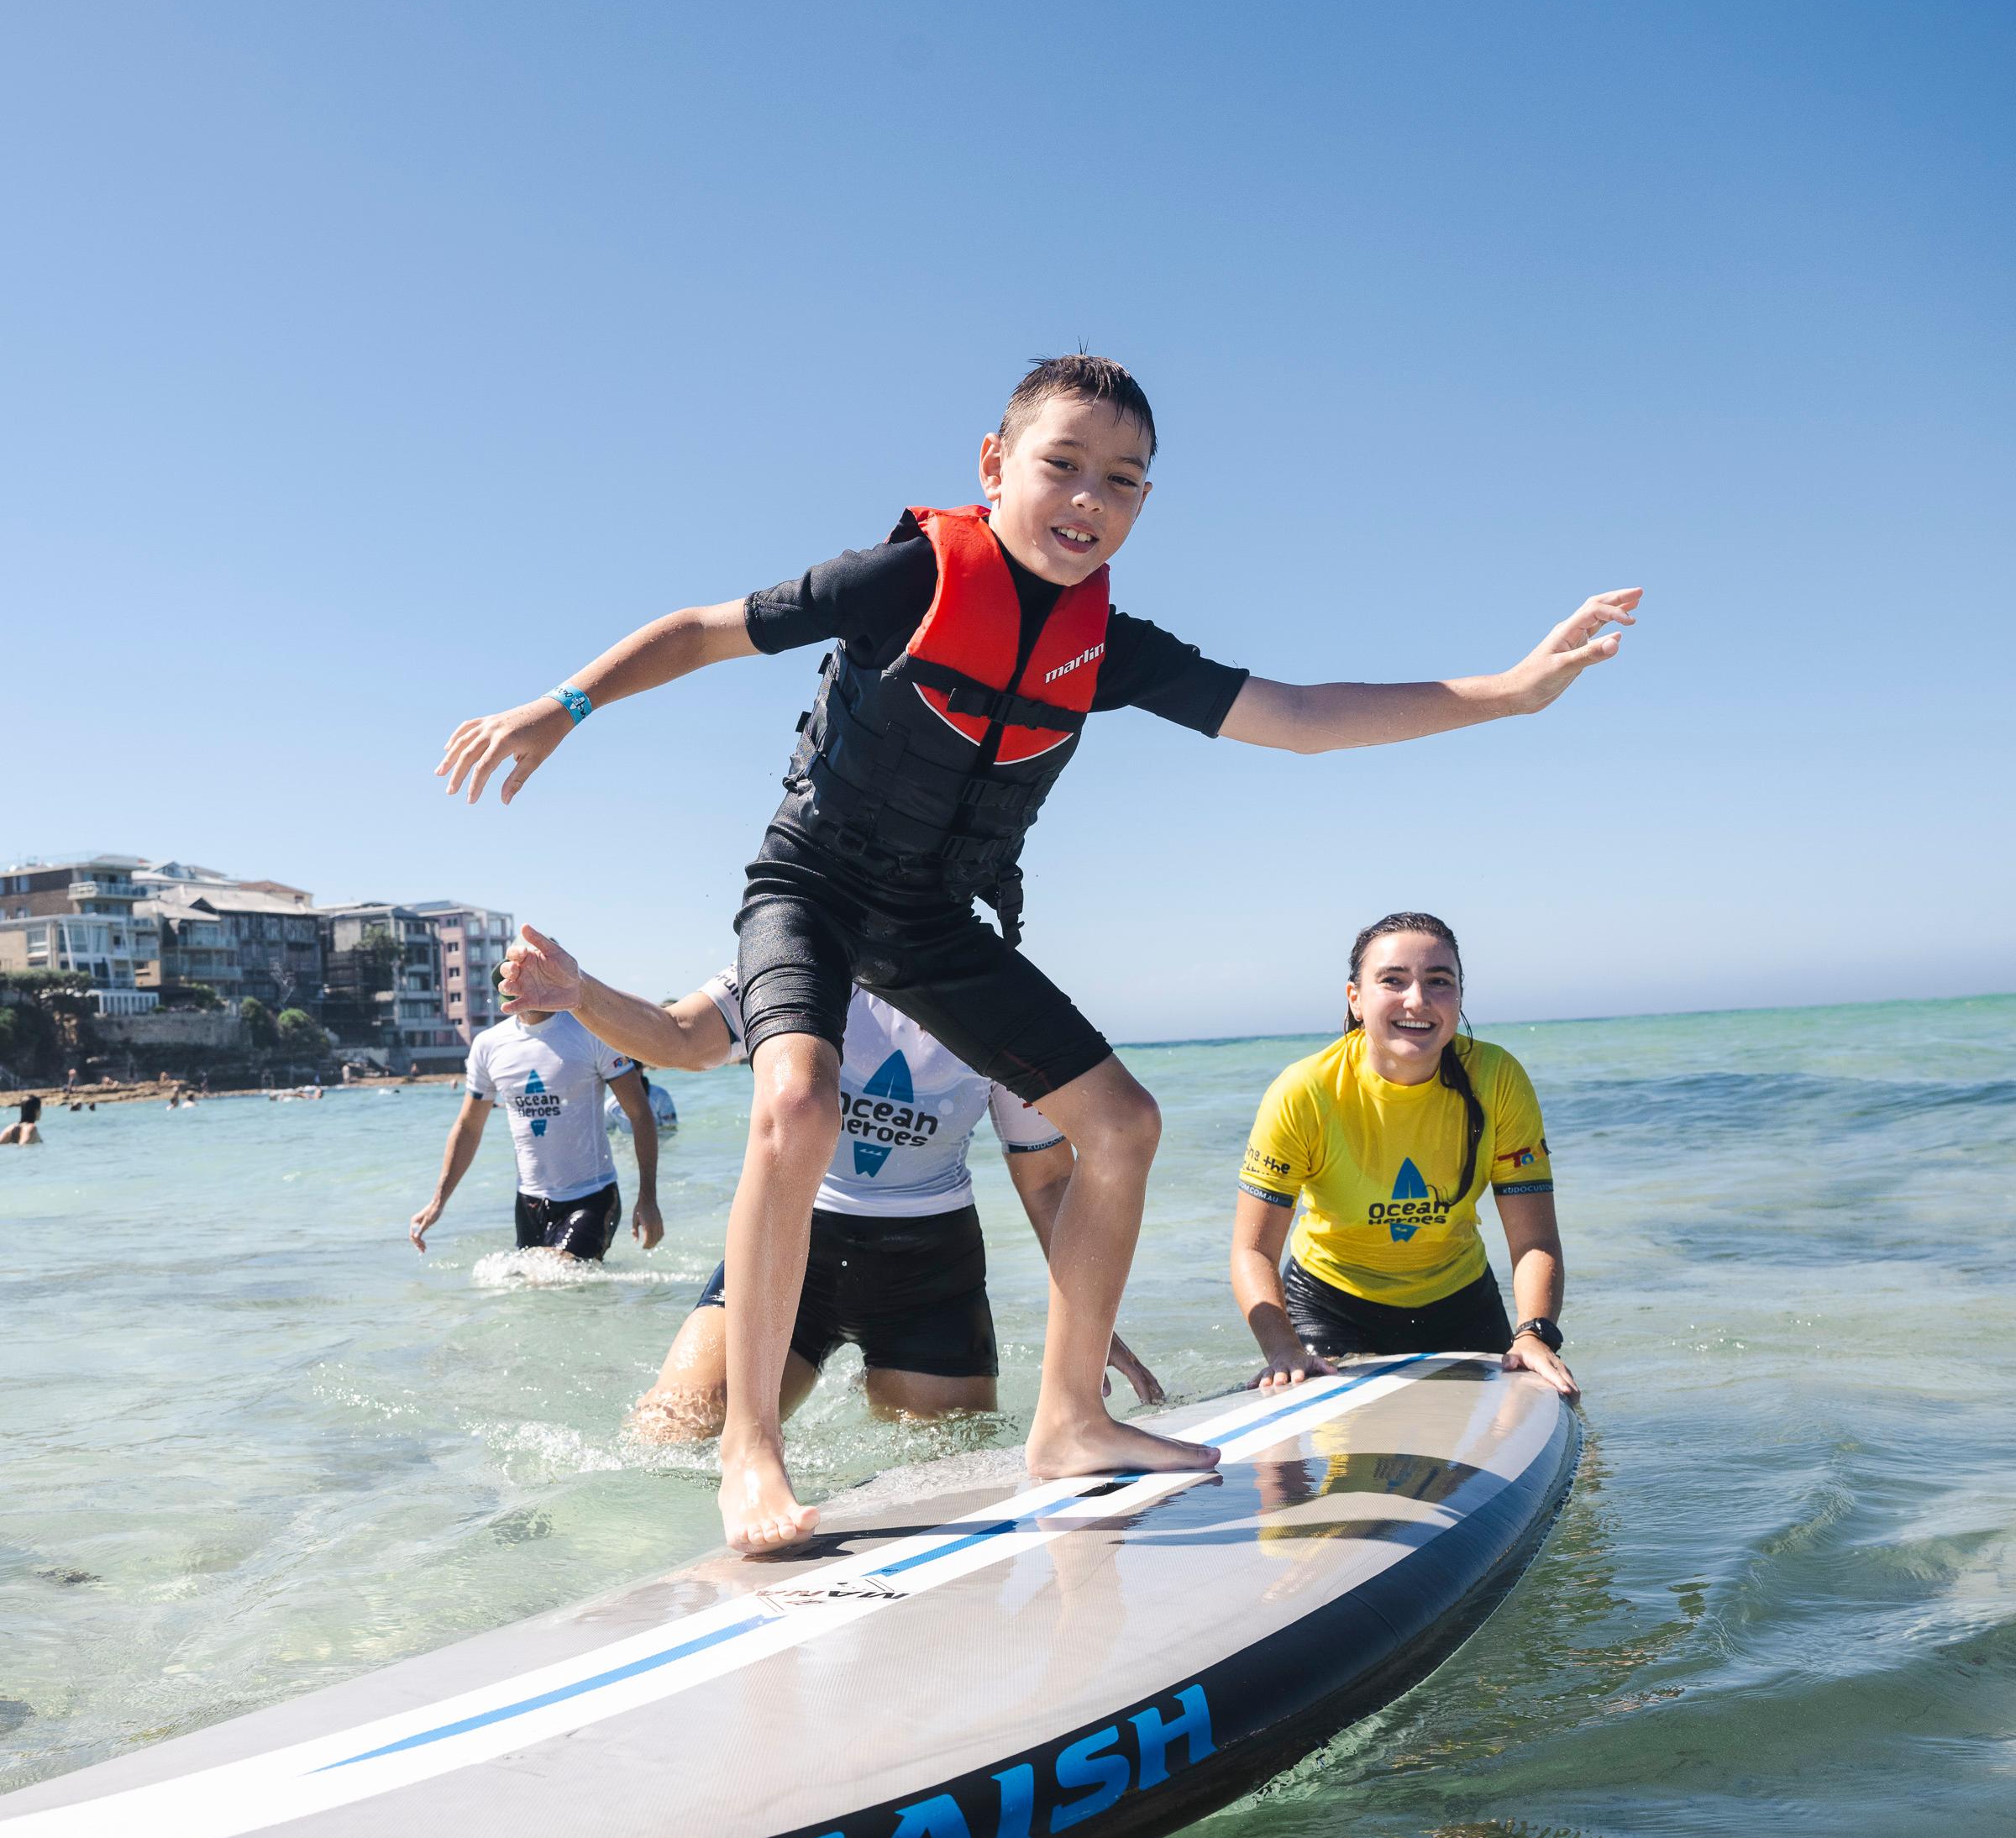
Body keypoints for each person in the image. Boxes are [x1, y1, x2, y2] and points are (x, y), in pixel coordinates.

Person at [438, 354, 1635, 1549]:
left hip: (933, 922)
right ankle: (751, 1450)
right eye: (1063, 465)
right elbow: (704, 631)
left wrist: (1509, 691)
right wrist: (562, 706)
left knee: (1124, 1125)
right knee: (796, 1097)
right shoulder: (909, 577)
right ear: (994, 465)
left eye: (1123, 480)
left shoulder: (1106, 646)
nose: (1089, 498)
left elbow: (1302, 717)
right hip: (812, 890)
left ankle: (1070, 1421)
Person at [493, 928, 1163, 1434]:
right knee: (668, 1433)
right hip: (792, 1244)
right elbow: (679, 1035)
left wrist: (1089, 1327)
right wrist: (582, 995)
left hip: (929, 1270)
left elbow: (1047, 1183)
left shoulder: (993, 995)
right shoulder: (794, 955)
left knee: (955, 1467)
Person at [1231, 912, 1578, 1398]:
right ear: (1355, 999)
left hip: (1461, 1299)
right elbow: (1253, 1250)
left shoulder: (1497, 1079)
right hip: (1329, 1304)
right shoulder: (1305, 1092)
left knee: (1548, 1403)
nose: (1417, 1000)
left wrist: (1534, 1334)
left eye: (1439, 981)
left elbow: (1534, 1239)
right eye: (1392, 980)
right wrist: (1283, 1350)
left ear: (1459, 997)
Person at [409, 1002, 664, 1261]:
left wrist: (648, 1198)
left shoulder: (592, 1032)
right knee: (535, 1282)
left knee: (558, 1273)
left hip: (592, 1196)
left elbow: (640, 1114)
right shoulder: (488, 1044)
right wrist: (438, 1201)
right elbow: (468, 1127)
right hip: (528, 1203)